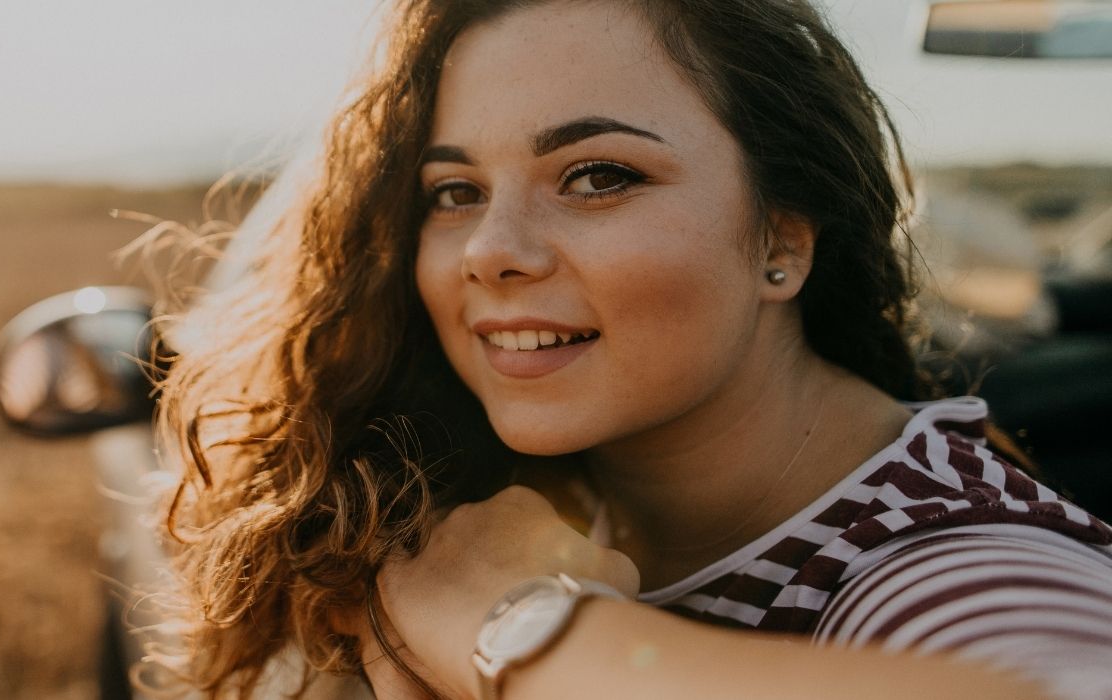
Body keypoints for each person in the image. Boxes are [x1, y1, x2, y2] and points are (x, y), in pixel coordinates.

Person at [146, 0, 1112, 698]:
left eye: (598, 176)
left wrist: (507, 624)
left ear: (782, 239)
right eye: (455, 192)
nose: (489, 250)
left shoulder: (947, 565)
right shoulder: (470, 498)